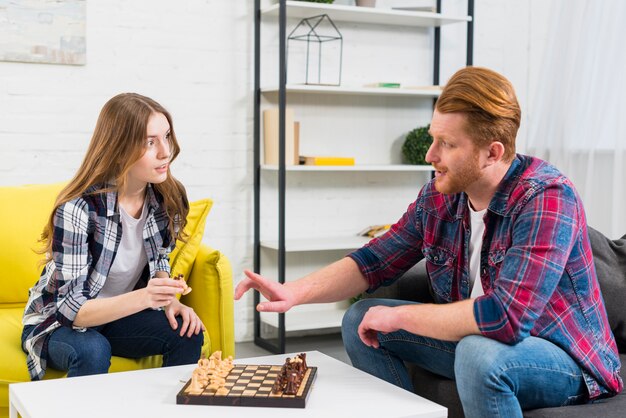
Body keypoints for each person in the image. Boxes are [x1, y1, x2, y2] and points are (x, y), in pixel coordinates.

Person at [235, 67, 623, 416]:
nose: (430, 154)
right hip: (482, 344)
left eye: (447, 144)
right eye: (434, 138)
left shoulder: (547, 197)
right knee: (359, 319)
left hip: (564, 359)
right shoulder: (440, 196)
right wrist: (294, 291)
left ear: (493, 152)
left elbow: (506, 319)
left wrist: (401, 316)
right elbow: (374, 261)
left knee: (477, 355)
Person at [22, 93, 204, 381]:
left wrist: (171, 301)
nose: (165, 152)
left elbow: (159, 258)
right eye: (149, 142)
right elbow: (72, 310)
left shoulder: (166, 196)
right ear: (119, 149)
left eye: (166, 136)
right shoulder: (78, 209)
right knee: (93, 349)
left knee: (186, 333)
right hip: (58, 322)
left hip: (118, 316)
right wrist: (147, 297)